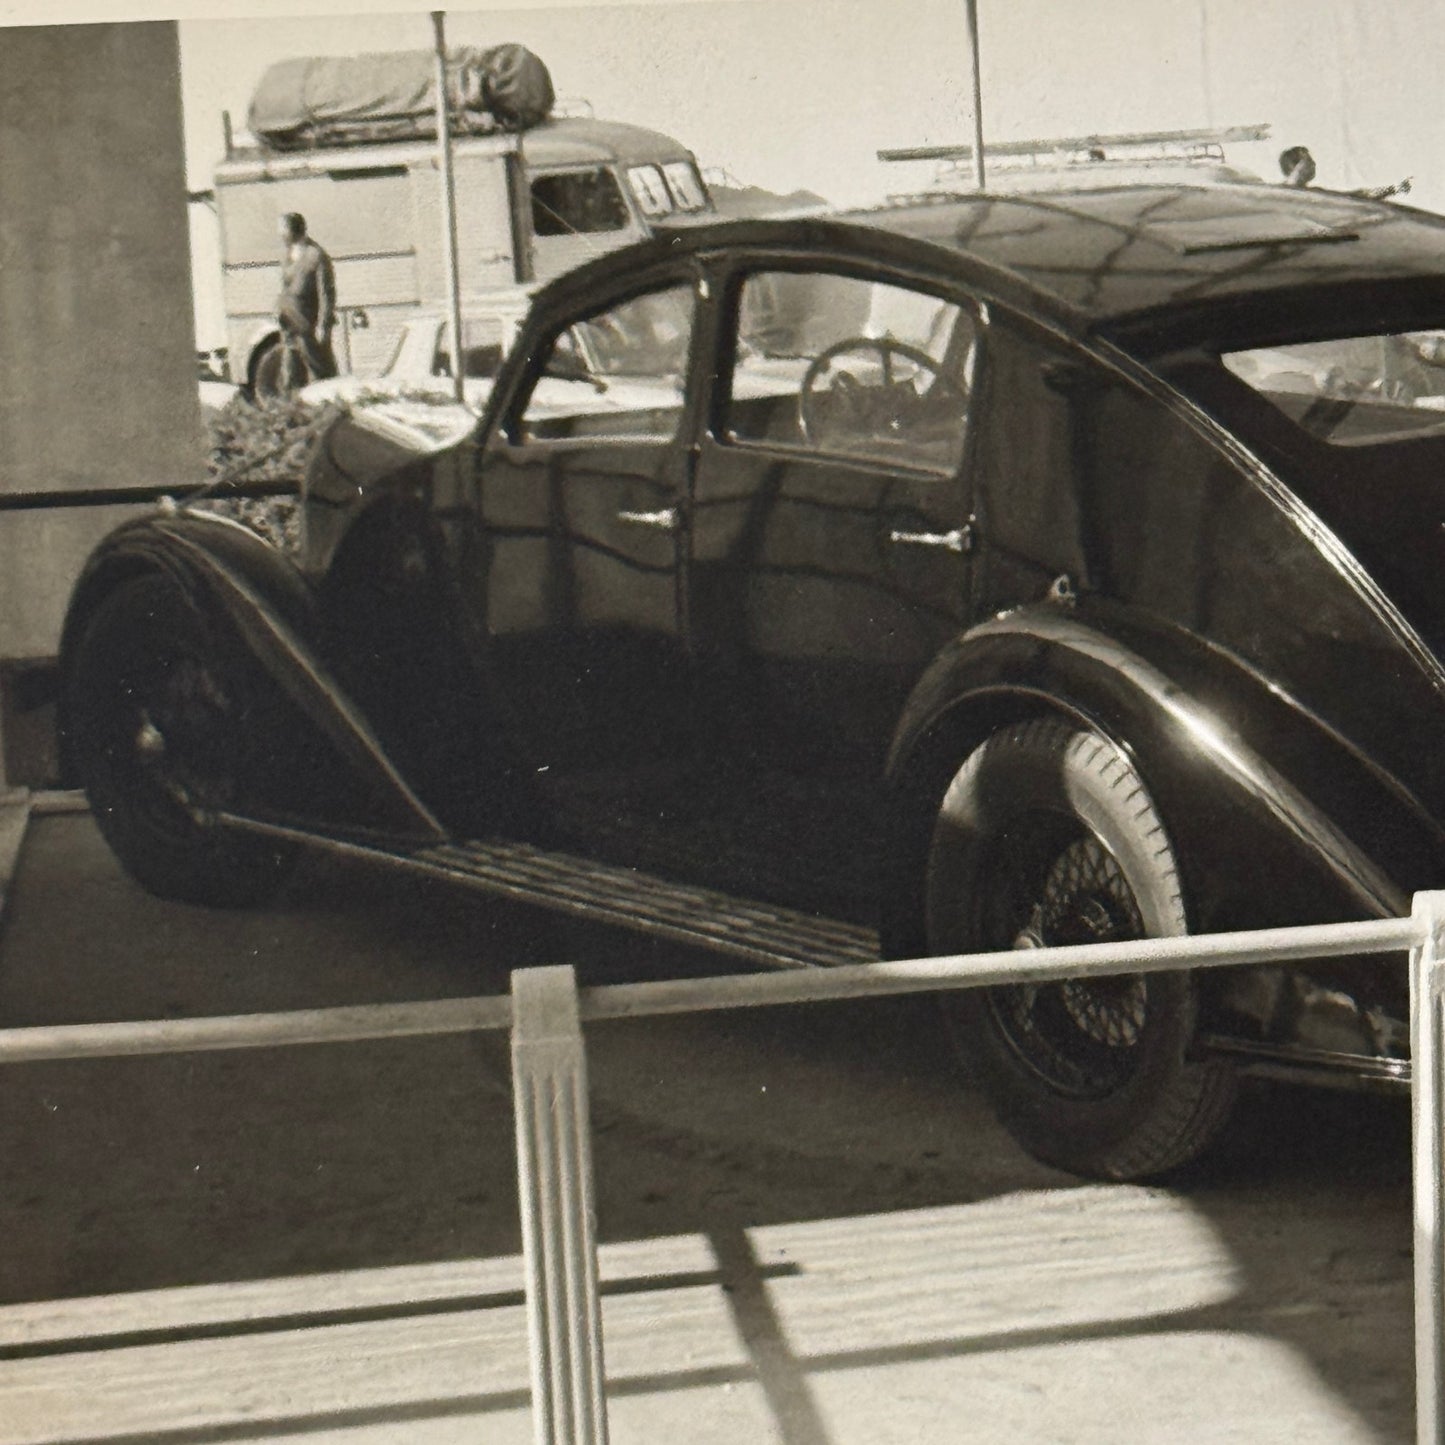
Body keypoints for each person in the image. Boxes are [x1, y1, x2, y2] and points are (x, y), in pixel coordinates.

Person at [276, 212, 337, 390]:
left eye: (282, 229)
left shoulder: (316, 255)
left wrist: (323, 325)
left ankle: (330, 409)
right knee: (290, 375)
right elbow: (286, 288)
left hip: (308, 326)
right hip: (289, 324)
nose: (280, 234)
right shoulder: (288, 255)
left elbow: (326, 293)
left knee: (321, 373)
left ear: (292, 230)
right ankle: (293, 411)